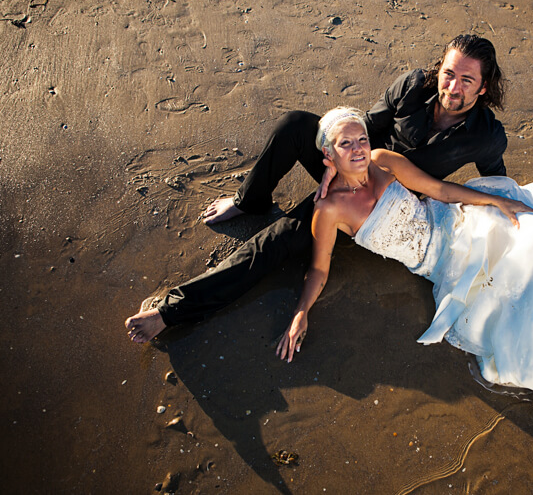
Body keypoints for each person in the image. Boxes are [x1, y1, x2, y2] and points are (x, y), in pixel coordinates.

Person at [275, 107, 533, 412]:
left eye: (362, 139)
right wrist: (301, 311)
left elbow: (439, 191)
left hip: (463, 223)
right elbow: (319, 268)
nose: (358, 149)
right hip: (444, 262)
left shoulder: (384, 162)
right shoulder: (329, 210)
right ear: (328, 155)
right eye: (345, 144)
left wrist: (495, 202)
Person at [126, 34, 509, 343]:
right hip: (355, 160)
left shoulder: (487, 136)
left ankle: (173, 311)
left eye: (466, 80)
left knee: (276, 241)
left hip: (378, 207)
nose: (452, 87)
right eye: (448, 73)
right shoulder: (412, 85)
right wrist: (334, 163)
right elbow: (364, 125)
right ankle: (249, 201)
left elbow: (497, 183)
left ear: (483, 87)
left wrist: (510, 219)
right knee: (295, 125)